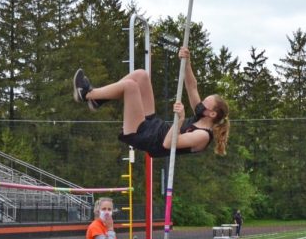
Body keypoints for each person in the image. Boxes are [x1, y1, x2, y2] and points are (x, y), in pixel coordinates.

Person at [73, 46, 230, 158]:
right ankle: (97, 99)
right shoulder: (200, 115)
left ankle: (86, 94)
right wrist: (187, 61)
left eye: (205, 102)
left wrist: (181, 119)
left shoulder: (202, 136)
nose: (201, 102)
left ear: (212, 113)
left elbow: (168, 144)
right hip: (154, 126)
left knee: (130, 87)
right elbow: (191, 86)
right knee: (141, 75)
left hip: (147, 139)